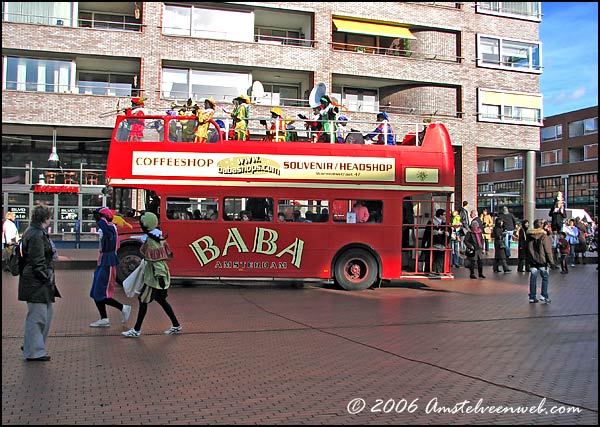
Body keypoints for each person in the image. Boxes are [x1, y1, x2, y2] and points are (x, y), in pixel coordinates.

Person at [122, 212, 181, 337]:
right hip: (158, 277)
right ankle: (176, 325)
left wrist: (159, 278)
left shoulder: (152, 242)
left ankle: (136, 330)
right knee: (161, 300)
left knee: (143, 301)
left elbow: (157, 262)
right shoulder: (158, 238)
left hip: (154, 278)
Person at [18, 204, 61, 361]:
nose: (51, 220)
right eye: (49, 217)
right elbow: (38, 261)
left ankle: (32, 345)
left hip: (35, 281)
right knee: (39, 317)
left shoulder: (34, 232)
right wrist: (45, 277)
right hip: (37, 283)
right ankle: (34, 350)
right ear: (45, 218)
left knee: (42, 315)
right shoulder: (37, 235)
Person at [89, 207, 131, 328]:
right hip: (102, 261)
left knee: (102, 292)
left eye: (97, 215)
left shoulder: (110, 228)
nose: (95, 218)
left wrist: (103, 217)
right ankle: (104, 318)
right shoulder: (106, 226)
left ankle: (123, 308)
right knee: (95, 291)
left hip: (108, 262)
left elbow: (105, 228)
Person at [527, 219, 555, 304]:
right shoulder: (544, 237)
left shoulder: (529, 236)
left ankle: (532, 296)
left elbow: (527, 249)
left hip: (532, 261)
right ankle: (544, 295)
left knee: (533, 278)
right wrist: (552, 262)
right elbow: (548, 251)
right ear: (542, 226)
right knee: (545, 278)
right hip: (542, 261)